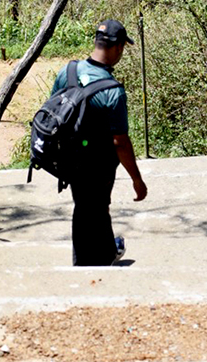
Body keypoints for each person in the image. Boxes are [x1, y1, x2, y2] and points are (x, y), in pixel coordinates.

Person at [50, 19, 148, 266]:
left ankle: (104, 252)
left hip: (70, 159)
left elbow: (52, 110)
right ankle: (89, 263)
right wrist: (137, 179)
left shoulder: (68, 71)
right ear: (117, 48)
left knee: (88, 207)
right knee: (91, 208)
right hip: (99, 164)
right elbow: (120, 142)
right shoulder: (113, 91)